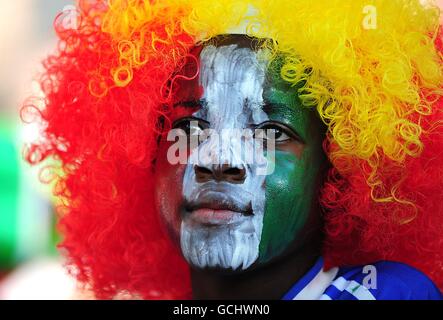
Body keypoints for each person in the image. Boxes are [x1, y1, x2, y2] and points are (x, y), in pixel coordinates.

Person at [23, 0, 443, 299]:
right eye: (189, 127)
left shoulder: (389, 293)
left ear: (338, 172)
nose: (219, 159)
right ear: (143, 159)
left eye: (272, 132)